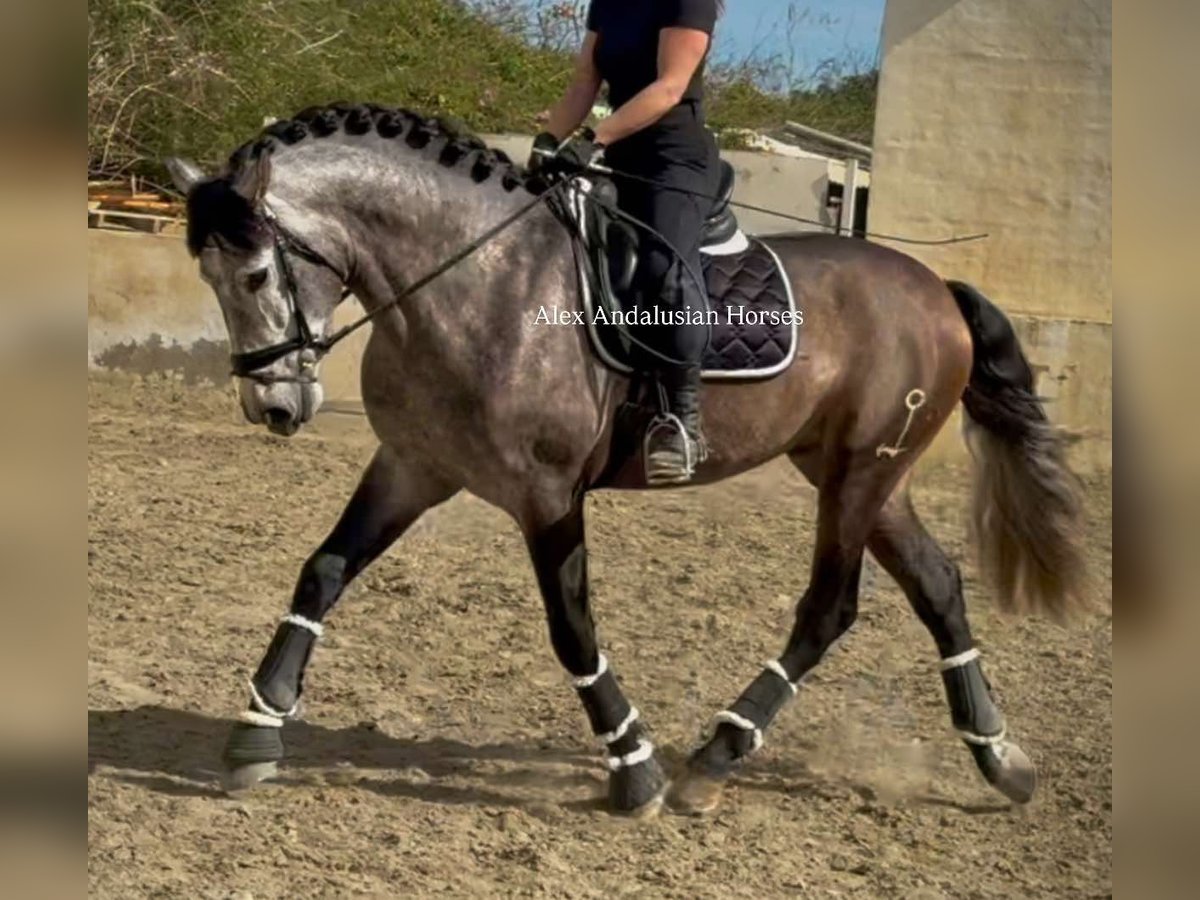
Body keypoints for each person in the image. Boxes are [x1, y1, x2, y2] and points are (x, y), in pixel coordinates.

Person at [528, 0, 721, 485]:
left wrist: (595, 137)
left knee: (664, 271)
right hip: (616, 154)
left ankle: (681, 421)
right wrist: (548, 140)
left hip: (673, 160)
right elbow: (582, 84)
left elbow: (670, 87)